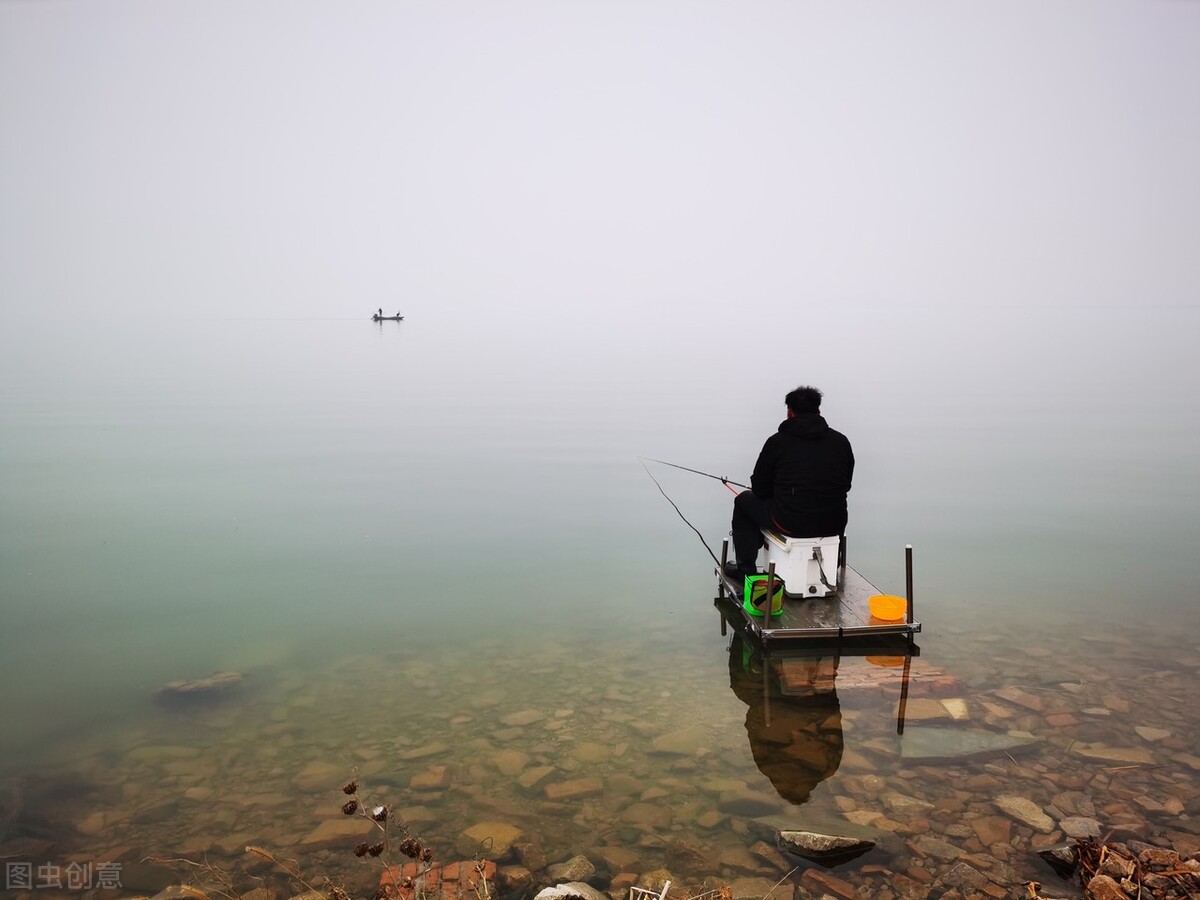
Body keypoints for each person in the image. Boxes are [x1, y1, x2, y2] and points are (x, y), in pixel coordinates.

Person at [726, 385, 854, 579]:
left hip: (790, 522)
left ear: (789, 412)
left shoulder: (777, 442)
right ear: (819, 411)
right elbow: (845, 485)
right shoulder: (841, 441)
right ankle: (832, 563)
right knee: (837, 505)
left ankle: (745, 570)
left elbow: (759, 489)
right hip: (832, 523)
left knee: (743, 501)